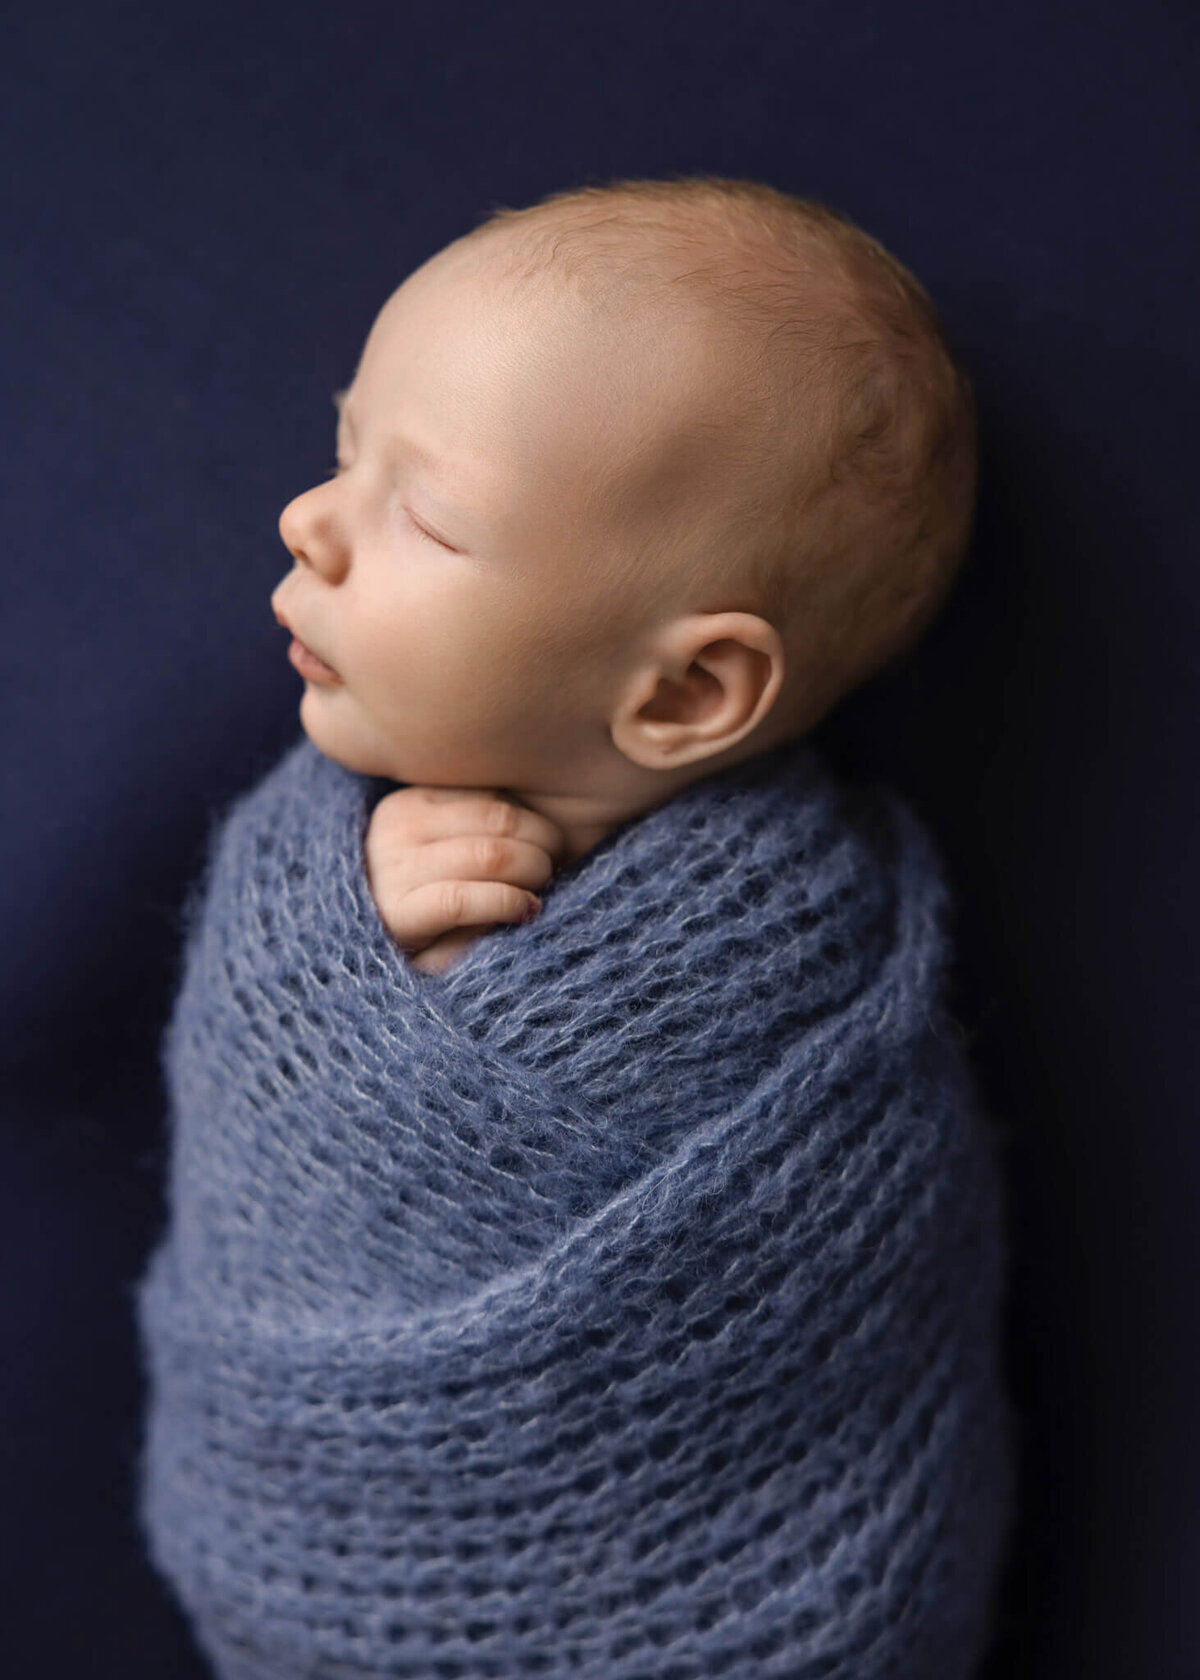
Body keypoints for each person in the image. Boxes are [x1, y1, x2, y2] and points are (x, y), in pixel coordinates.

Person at [271, 173, 975, 974]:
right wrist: (328, 922)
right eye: (343, 456)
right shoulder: (323, 825)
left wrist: (375, 983)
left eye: (428, 522)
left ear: (684, 692)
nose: (303, 520)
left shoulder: (774, 963)